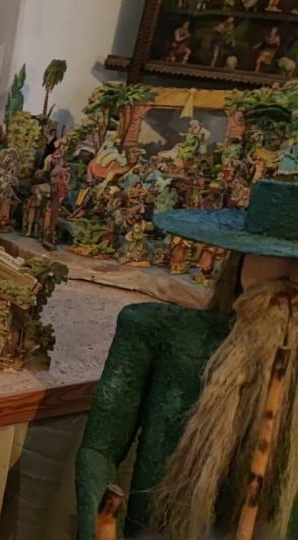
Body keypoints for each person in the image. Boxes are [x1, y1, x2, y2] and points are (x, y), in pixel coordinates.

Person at [76, 180, 298, 539]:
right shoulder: (160, 332)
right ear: (241, 256)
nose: (292, 277)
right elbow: (98, 450)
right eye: (277, 256)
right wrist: (98, 530)